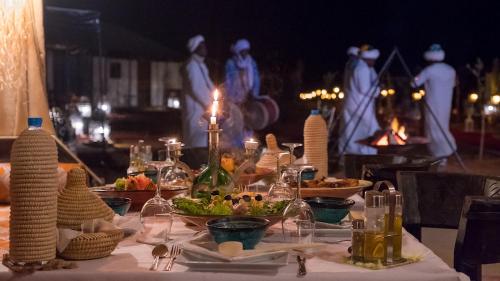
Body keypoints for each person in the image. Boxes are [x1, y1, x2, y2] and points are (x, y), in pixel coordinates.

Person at [412, 44, 457, 160]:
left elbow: (414, 83)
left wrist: (415, 77)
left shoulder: (429, 70)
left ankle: (443, 153)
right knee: (442, 126)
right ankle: (443, 155)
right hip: (446, 103)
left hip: (432, 104)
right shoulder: (450, 70)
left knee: (433, 128)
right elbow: (453, 85)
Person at [339, 45, 381, 155]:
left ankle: (348, 154)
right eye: (373, 60)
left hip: (351, 103)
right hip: (360, 105)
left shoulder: (352, 65)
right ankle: (369, 155)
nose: (374, 62)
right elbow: (365, 89)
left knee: (350, 130)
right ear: (369, 58)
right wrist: (377, 91)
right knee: (371, 130)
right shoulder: (362, 68)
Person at [223, 39, 260, 147]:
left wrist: (254, 94)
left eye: (247, 50)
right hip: (234, 100)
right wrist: (229, 98)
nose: (246, 53)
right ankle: (236, 150)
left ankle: (248, 150)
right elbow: (228, 81)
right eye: (243, 50)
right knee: (236, 124)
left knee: (248, 123)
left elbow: (256, 79)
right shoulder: (230, 63)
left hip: (248, 98)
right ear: (239, 51)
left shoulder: (251, 62)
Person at [181, 35, 214, 148]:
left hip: (204, 110)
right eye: (201, 46)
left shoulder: (201, 65)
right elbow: (196, 89)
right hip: (196, 112)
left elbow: (209, 86)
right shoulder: (191, 65)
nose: (205, 48)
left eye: (204, 45)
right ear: (195, 49)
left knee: (203, 142)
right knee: (195, 143)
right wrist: (210, 104)